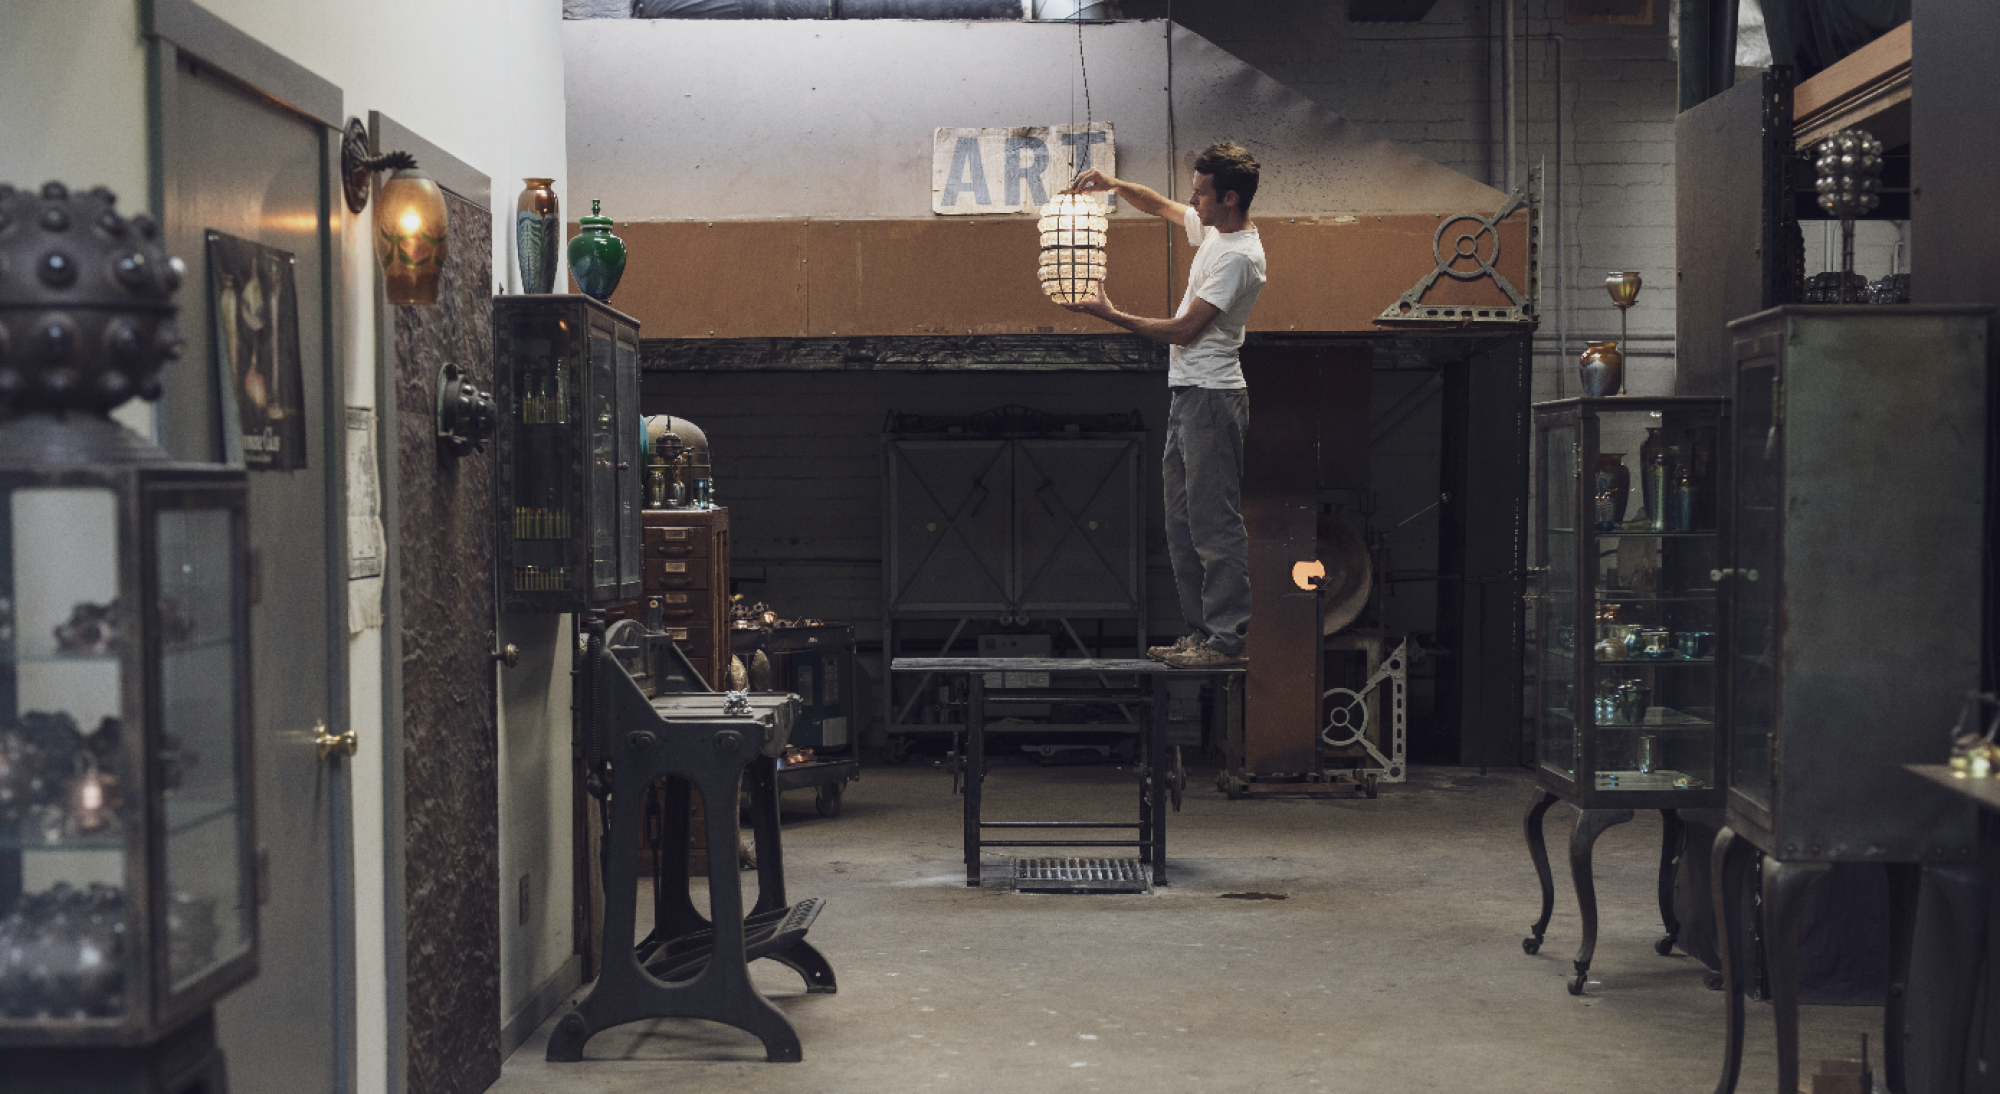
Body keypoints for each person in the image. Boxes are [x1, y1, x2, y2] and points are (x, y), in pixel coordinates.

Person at [1061, 141, 1265, 669]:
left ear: (1230, 197)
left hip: (1214, 399)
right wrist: (1114, 185)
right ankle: (1200, 635)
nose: (1191, 201)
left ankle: (1227, 640)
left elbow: (1184, 329)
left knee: (1213, 522)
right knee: (1181, 524)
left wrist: (1111, 314)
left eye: (1201, 194)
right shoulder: (1217, 231)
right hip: (1188, 395)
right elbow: (1158, 206)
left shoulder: (1240, 258)